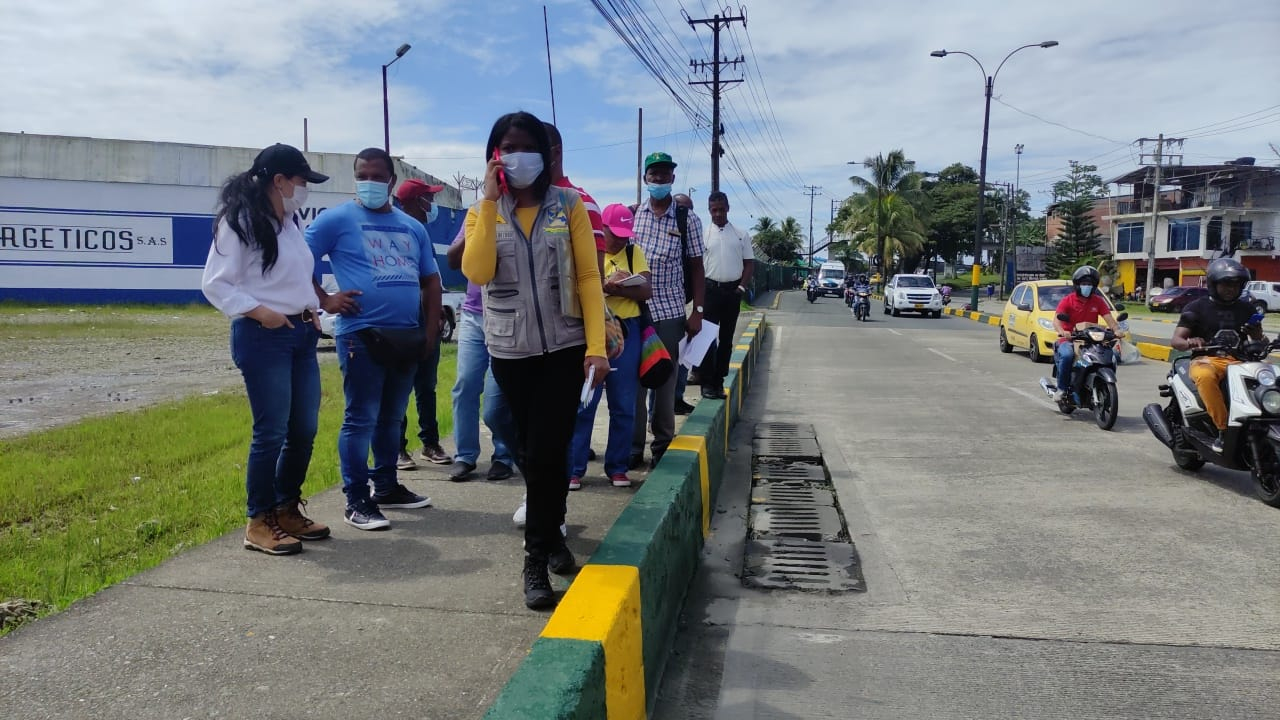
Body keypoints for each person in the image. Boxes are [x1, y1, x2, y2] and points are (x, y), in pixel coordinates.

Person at [462, 111, 609, 610]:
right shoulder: (483, 210)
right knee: (531, 447)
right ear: (494, 154)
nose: (518, 156)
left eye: (529, 147)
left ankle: (534, 558)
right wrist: (486, 197)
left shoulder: (567, 204)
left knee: (547, 452)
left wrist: (596, 348)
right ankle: (554, 537)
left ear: (545, 156)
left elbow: (589, 278)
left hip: (564, 348)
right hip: (509, 349)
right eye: (508, 147)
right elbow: (478, 270)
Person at [202, 143, 337, 555]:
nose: (304, 190)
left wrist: (310, 308)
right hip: (264, 336)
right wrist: (264, 313)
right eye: (300, 181)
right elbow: (217, 283)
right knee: (272, 432)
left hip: (299, 334)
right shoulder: (241, 221)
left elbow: (294, 278)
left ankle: (285, 509)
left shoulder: (290, 223)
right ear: (278, 181)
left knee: (303, 430)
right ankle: (258, 522)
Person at [306, 147, 441, 531]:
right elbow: (297, 260)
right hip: (361, 336)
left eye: (378, 176)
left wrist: (430, 331)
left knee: (391, 417)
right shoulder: (337, 220)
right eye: (362, 176)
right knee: (360, 418)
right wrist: (325, 299)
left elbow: (431, 280)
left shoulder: (412, 227)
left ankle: (386, 486)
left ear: (391, 181)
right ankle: (356, 499)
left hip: (406, 338)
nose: (370, 183)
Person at [630, 152, 706, 469]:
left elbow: (698, 268)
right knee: (633, 385)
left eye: (665, 175)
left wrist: (697, 311)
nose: (659, 179)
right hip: (634, 312)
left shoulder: (687, 220)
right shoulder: (633, 215)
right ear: (645, 178)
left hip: (671, 312)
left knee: (664, 382)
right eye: (654, 174)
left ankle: (661, 443)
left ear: (672, 178)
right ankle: (633, 448)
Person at [568, 204, 650, 491]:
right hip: (596, 331)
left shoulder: (632, 252)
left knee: (624, 403)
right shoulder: (589, 249)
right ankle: (574, 469)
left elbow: (645, 290)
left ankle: (617, 467)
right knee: (585, 401)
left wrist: (612, 287)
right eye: (616, 234)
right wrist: (608, 284)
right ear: (602, 228)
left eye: (626, 234)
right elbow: (580, 285)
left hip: (628, 331)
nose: (621, 240)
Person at [445, 224, 518, 483]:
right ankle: (465, 456)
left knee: (497, 395)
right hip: (473, 315)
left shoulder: (517, 212)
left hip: (507, 314)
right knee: (464, 385)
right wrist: (475, 232)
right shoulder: (477, 213)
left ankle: (503, 456)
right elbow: (453, 260)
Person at [391, 178, 453, 470]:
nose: (433, 205)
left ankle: (430, 443)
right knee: (400, 386)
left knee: (426, 385)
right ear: (415, 202)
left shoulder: (422, 232)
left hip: (427, 318)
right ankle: (398, 448)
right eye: (429, 198)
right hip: (403, 320)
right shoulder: (395, 231)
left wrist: (436, 311)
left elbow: (432, 279)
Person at [1171, 258, 1264, 451]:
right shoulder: (1195, 307)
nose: (1231, 289)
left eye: (1236, 285)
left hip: (1240, 361)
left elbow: (1260, 340)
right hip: (1206, 360)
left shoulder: (1247, 308)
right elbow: (1176, 340)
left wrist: (1255, 333)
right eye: (1226, 284)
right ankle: (1223, 430)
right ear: (1214, 284)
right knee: (1205, 377)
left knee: (1270, 378)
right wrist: (1191, 342)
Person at [697, 191, 754, 400]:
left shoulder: (740, 234)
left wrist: (741, 288)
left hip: (732, 292)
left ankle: (719, 381)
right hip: (710, 291)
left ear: (728, 208)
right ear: (709, 210)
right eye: (714, 210)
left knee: (726, 339)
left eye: (721, 209)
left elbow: (749, 263)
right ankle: (706, 382)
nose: (718, 213)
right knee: (706, 338)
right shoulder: (703, 235)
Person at [1051, 265, 1121, 405]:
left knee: (1112, 355)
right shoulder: (1068, 300)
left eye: (1089, 284)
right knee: (1067, 355)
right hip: (1069, 339)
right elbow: (1056, 320)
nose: (1086, 287)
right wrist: (1062, 331)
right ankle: (1062, 389)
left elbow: (1109, 318)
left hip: (1090, 339)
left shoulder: (1098, 301)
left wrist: (1116, 330)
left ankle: (1098, 384)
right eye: (1084, 284)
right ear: (1077, 285)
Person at [544, 122, 606, 273]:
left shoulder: (582, 204)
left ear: (556, 152)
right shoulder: (520, 204)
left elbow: (593, 274)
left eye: (534, 149)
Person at [671, 192, 698, 415]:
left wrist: (697, 310)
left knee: (685, 357)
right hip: (667, 305)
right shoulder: (667, 233)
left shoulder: (695, 235)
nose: (684, 212)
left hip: (689, 303)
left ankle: (677, 398)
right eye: (680, 208)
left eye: (688, 209)